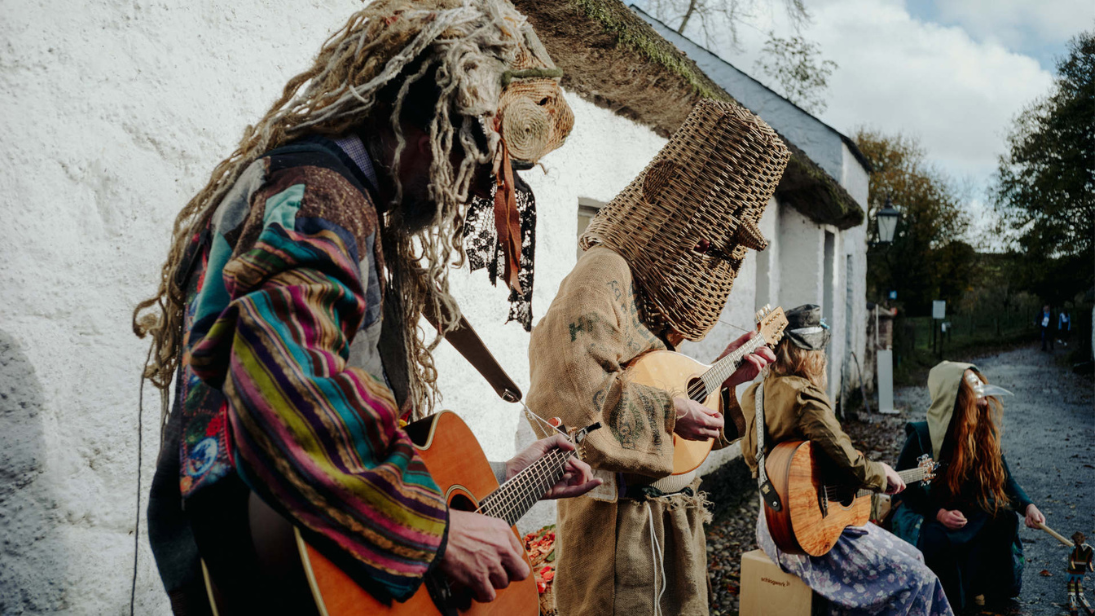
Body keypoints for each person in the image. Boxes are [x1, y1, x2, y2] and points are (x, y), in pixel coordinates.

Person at [134, 2, 598, 613]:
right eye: (475, 161)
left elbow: (343, 420)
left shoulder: (337, 196)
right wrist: (431, 533)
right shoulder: (321, 201)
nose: (477, 191)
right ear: (421, 117)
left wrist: (500, 478)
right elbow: (284, 391)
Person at [525, 100, 787, 615]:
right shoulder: (602, 276)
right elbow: (570, 403)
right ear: (685, 215)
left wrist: (723, 381)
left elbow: (665, 399)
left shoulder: (649, 292)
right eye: (713, 241)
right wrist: (672, 413)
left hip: (671, 529)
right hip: (613, 543)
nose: (717, 256)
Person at [741, 305, 953, 616]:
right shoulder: (805, 397)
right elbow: (851, 464)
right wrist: (881, 474)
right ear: (811, 354)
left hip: (772, 528)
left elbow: (763, 463)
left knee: (909, 560)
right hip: (812, 537)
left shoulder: (755, 394)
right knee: (919, 577)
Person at [889, 361, 1045, 612]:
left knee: (1003, 516)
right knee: (936, 540)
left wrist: (1028, 506)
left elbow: (1004, 478)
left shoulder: (984, 433)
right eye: (974, 387)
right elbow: (903, 488)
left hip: (970, 512)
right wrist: (938, 513)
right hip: (931, 516)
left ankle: (992, 595)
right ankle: (951, 602)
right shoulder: (922, 436)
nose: (984, 397)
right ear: (956, 396)